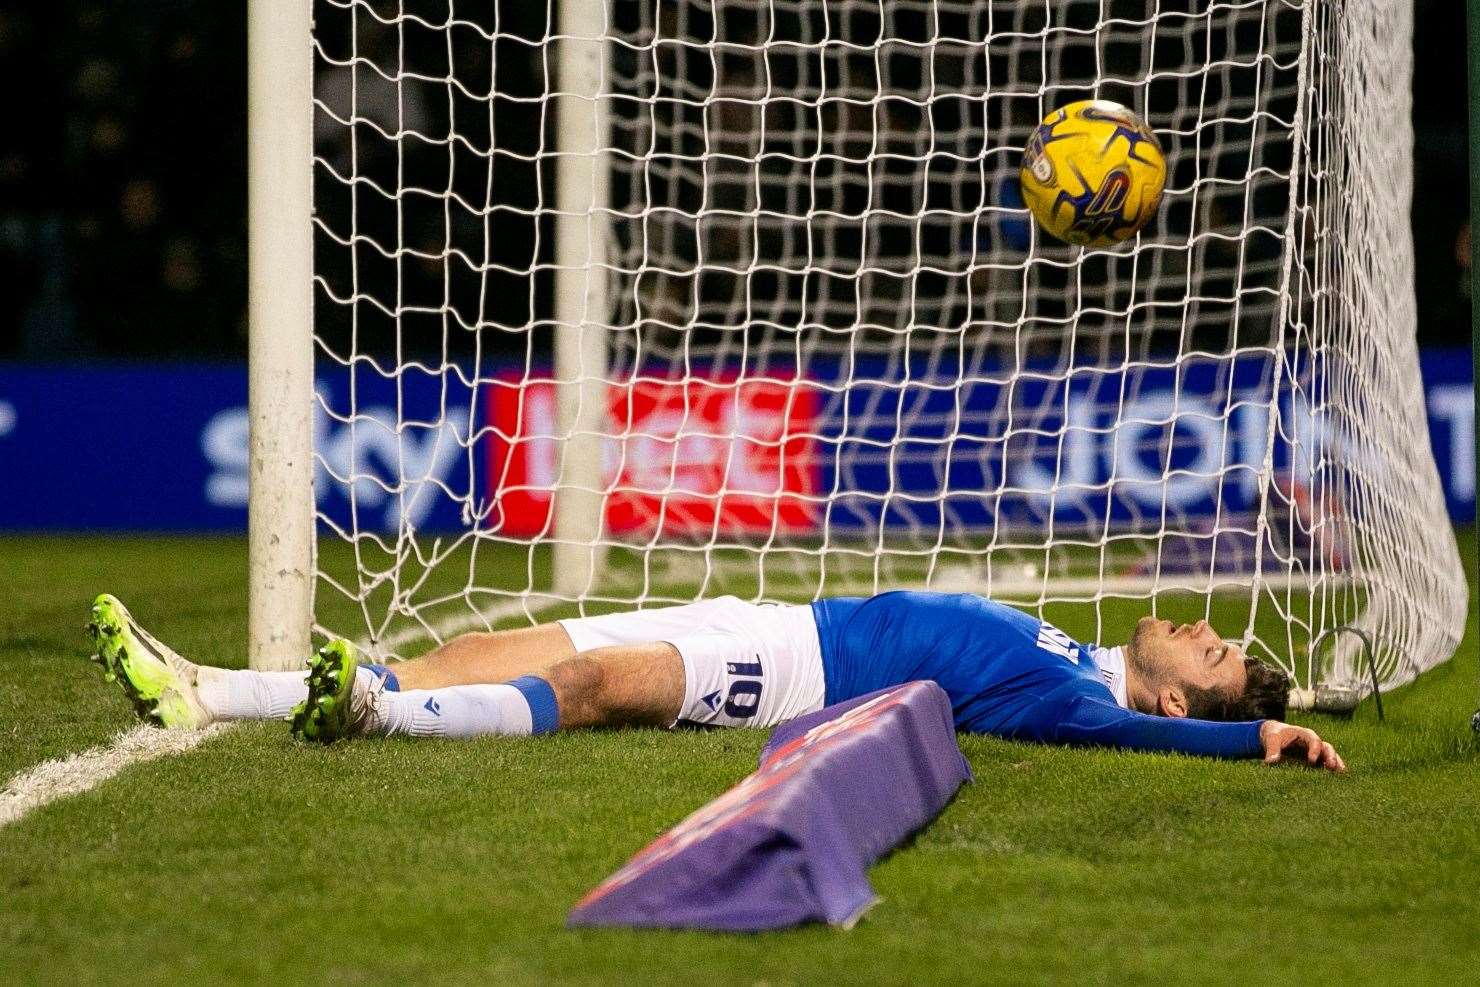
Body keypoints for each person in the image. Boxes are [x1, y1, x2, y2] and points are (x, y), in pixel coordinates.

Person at [84, 590, 1345, 772]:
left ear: (1177, 697)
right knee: (477, 653)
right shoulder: (1077, 646)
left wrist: (1256, 745)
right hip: (772, 613)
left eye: (1211, 650)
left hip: (798, 667)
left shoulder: (1091, 705)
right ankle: (205, 689)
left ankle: (373, 713)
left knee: (593, 681)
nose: (1194, 627)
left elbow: (1146, 750)